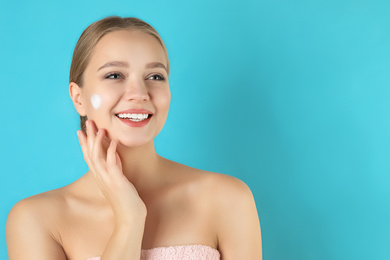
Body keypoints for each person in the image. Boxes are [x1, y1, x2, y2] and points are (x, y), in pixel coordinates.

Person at [6, 16, 262, 260]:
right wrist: (129, 216)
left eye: (155, 76)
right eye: (114, 75)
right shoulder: (36, 220)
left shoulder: (227, 199)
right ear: (78, 98)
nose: (139, 93)